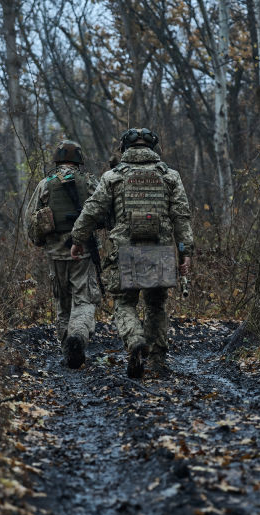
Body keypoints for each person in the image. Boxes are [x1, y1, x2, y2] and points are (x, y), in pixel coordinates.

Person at [70, 127, 193, 379]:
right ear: (153, 148)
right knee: (156, 305)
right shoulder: (170, 176)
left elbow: (92, 210)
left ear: (124, 148)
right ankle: (156, 360)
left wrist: (78, 239)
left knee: (124, 303)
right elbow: (181, 217)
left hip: (125, 251)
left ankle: (135, 340)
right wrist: (185, 252)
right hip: (159, 251)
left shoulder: (113, 177)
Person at [25, 140, 103, 369]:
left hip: (55, 252)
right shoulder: (89, 181)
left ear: (57, 159)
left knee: (63, 302)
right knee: (84, 299)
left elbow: (31, 220)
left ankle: (68, 350)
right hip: (83, 250)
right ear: (79, 159)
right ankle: (77, 336)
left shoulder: (45, 184)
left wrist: (41, 241)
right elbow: (103, 211)